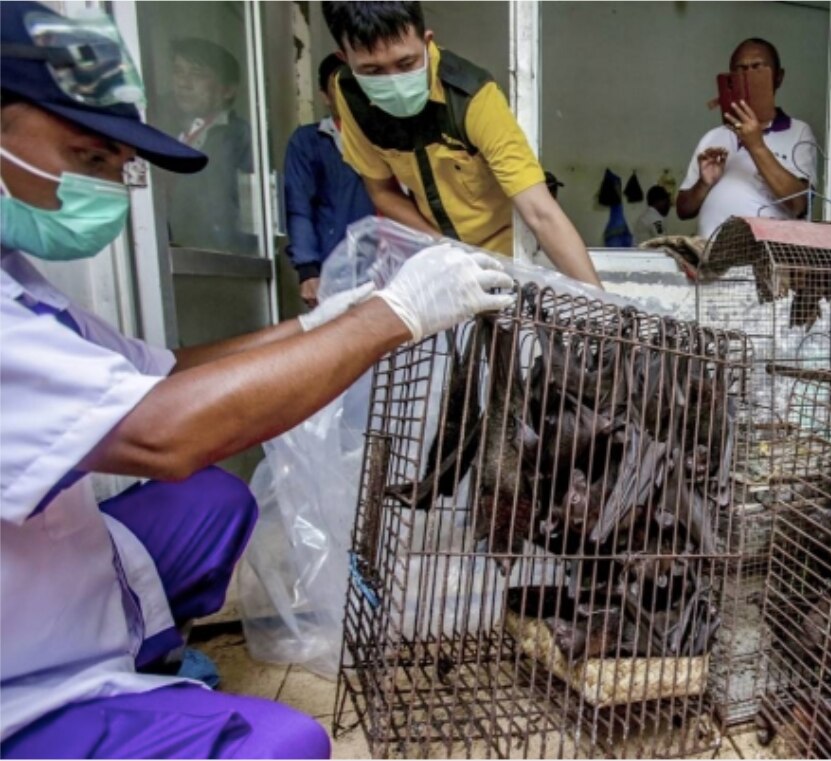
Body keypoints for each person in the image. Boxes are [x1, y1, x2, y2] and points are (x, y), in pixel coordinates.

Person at [0, 3, 513, 757]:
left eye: (118, 163)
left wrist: (327, 321)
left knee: (212, 499)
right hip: (21, 666)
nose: (111, 185)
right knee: (283, 743)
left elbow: (166, 373)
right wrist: (389, 317)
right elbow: (162, 431)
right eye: (89, 156)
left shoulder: (21, 280)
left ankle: (143, 653)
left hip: (49, 573)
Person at [322, 1, 602, 287]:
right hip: (441, 258)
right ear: (345, 58)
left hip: (510, 260)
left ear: (426, 40)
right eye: (373, 71)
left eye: (406, 63)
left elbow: (541, 213)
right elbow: (382, 191)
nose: (393, 81)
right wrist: (443, 251)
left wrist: (604, 308)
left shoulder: (472, 97)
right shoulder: (350, 97)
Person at [676, 38, 819, 240]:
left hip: (764, 261)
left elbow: (800, 205)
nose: (748, 76)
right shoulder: (713, 136)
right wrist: (704, 183)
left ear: (778, 77)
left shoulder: (799, 132)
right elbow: (683, 210)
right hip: (709, 257)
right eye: (740, 70)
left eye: (757, 68)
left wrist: (756, 145)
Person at [284, 55, 377, 307]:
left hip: (391, 268)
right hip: (333, 271)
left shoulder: (394, 140)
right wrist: (307, 269)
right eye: (341, 86)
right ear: (325, 95)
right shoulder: (309, 142)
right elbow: (298, 207)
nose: (351, 94)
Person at [155, 37, 255, 253]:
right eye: (178, 72)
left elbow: (252, 217)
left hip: (215, 259)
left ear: (227, 90)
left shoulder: (240, 137)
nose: (183, 83)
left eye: (197, 74)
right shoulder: (160, 127)